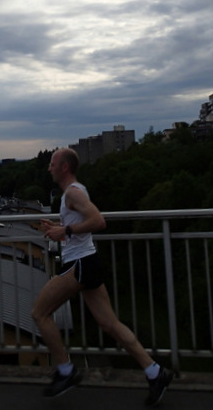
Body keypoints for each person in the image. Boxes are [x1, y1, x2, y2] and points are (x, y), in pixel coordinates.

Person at [32, 147, 172, 405]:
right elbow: (78, 228)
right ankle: (155, 372)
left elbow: (98, 221)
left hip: (80, 264)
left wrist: (67, 231)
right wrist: (60, 230)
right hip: (87, 261)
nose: (49, 167)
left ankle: (66, 370)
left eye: (52, 163)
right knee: (110, 324)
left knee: (39, 313)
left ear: (64, 167)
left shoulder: (73, 192)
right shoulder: (71, 194)